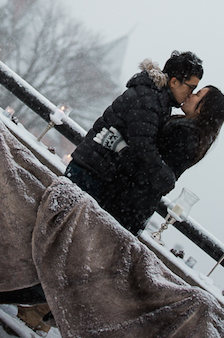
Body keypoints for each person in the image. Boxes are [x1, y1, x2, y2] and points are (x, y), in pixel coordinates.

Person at [65, 50, 203, 218]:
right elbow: (143, 147)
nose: (191, 94)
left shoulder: (157, 99)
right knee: (64, 225)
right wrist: (164, 177)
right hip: (92, 173)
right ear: (174, 82)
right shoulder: (150, 99)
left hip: (96, 171)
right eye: (191, 88)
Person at [99, 84, 224, 233]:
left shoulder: (185, 135)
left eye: (197, 94)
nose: (191, 95)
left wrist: (122, 149)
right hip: (133, 204)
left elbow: (151, 169)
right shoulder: (189, 133)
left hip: (127, 202)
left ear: (203, 108)